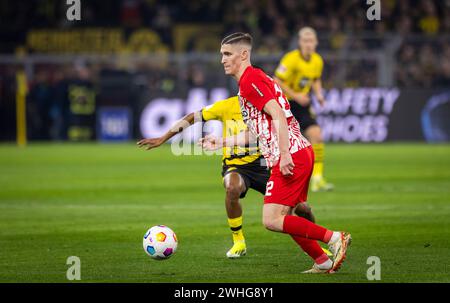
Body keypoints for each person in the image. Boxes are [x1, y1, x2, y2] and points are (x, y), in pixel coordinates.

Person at [201, 32, 351, 273]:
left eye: (227, 54)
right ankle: (322, 261)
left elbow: (279, 115)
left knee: (271, 219)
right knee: (288, 214)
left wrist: (284, 155)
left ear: (243, 54)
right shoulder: (251, 83)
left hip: (291, 153)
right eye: (221, 55)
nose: (222, 60)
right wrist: (222, 141)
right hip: (299, 150)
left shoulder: (251, 80)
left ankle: (334, 238)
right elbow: (257, 133)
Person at [137, 96, 330, 259]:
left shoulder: (267, 106)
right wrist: (163, 137)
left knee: (301, 208)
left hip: (265, 164)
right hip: (236, 165)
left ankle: (316, 246)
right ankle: (238, 240)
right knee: (232, 187)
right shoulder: (226, 106)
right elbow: (193, 117)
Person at [274, 27, 333, 192]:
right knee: (284, 144)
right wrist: (296, 95)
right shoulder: (291, 59)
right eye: (305, 41)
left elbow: (315, 79)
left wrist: (319, 95)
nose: (308, 44)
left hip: (303, 104)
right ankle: (277, 178)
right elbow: (276, 80)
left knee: (317, 136)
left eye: (311, 41)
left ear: (316, 42)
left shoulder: (317, 60)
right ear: (300, 43)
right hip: (286, 104)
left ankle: (317, 179)